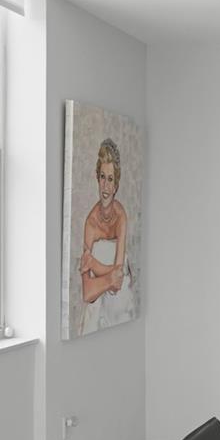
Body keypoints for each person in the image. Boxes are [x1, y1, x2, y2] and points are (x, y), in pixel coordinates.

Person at [78, 137, 135, 334]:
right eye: (103, 177)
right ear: (97, 178)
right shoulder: (91, 224)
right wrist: (110, 278)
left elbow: (118, 283)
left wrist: (92, 264)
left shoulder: (121, 217)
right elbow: (87, 292)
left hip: (120, 304)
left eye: (110, 179)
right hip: (97, 306)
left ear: (116, 184)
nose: (106, 186)